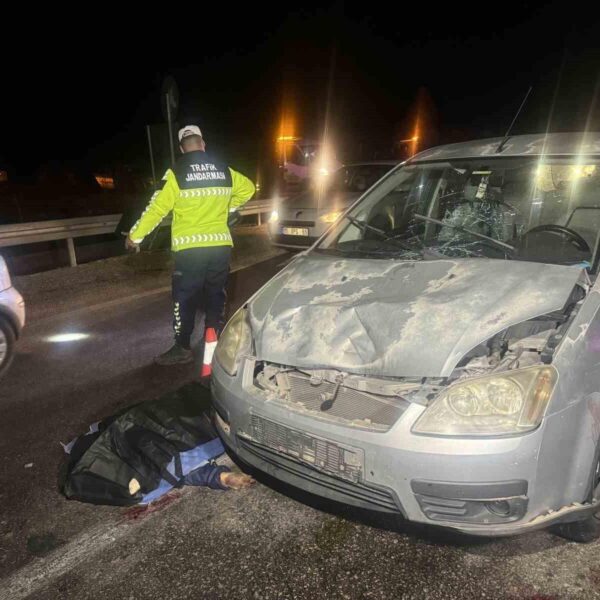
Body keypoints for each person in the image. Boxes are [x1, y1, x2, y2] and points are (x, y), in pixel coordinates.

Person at [127, 125, 255, 365]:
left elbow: (156, 208)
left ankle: (182, 347)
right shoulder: (223, 170)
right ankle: (214, 344)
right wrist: (230, 208)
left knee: (184, 298)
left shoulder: (176, 173)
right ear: (203, 144)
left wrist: (135, 236)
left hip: (190, 251)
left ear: (181, 149)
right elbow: (248, 188)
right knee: (216, 296)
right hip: (220, 247)